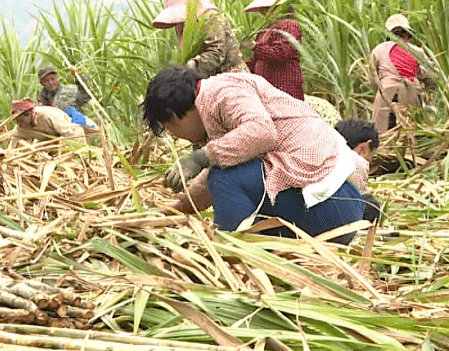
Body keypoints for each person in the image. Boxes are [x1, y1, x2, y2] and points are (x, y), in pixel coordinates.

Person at [144, 65, 364, 244]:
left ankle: (239, 259)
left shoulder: (223, 93)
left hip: (330, 204)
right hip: (331, 209)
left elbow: (261, 132)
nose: (180, 137)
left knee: (223, 179)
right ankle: (260, 249)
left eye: (171, 128)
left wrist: (200, 158)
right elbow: (215, 177)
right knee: (224, 177)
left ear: (173, 116)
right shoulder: (215, 106)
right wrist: (178, 208)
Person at [152, 0, 248, 78]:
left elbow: (217, 52)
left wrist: (194, 64)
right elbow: (183, 52)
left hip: (230, 74)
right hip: (205, 77)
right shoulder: (181, 25)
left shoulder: (210, 18)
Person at [370, 14, 437, 133]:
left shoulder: (379, 49)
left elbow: (373, 78)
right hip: (411, 94)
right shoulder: (417, 51)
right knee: (410, 134)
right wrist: (431, 93)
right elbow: (431, 77)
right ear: (408, 33)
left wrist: (378, 91)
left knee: (383, 136)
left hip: (387, 95)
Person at [244, 0, 304, 100]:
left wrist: (253, 46)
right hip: (266, 90)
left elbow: (280, 53)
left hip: (285, 90)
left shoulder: (290, 26)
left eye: (267, 8)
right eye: (262, 9)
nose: (263, 12)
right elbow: (255, 59)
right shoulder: (264, 31)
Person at [334, 117, 382, 222]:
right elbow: (360, 196)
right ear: (364, 148)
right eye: (371, 156)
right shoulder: (357, 162)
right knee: (371, 206)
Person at [36, 65, 97, 129]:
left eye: (53, 79)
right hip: (54, 131)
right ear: (42, 83)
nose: (51, 82)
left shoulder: (69, 90)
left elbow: (87, 94)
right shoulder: (40, 101)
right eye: (46, 80)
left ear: (57, 78)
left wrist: (79, 76)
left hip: (76, 127)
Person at [11, 98, 86, 144]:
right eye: (17, 122)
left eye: (21, 121)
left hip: (73, 135)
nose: (19, 124)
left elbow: (68, 133)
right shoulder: (20, 128)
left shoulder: (47, 115)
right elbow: (14, 142)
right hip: (52, 141)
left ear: (29, 115)